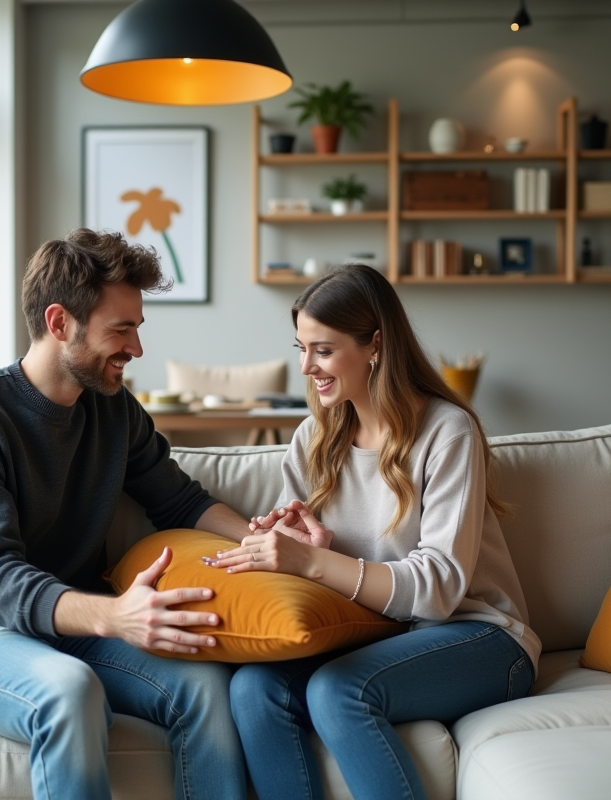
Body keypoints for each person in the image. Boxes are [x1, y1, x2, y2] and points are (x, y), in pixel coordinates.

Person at [0, 228, 255, 800]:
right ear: (60, 323)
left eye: (137, 328)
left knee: (205, 686)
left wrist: (261, 538)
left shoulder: (114, 410)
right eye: (121, 329)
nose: (136, 349)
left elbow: (179, 501)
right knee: (68, 691)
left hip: (69, 628)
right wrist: (116, 617)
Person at [208, 263, 541, 799]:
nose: (306, 366)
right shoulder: (313, 438)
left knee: (340, 690)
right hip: (380, 632)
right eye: (301, 347)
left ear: (375, 345)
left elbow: (436, 589)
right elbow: (322, 580)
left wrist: (317, 564)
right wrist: (311, 553)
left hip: (481, 637)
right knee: (253, 689)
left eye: (322, 349)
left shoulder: (447, 431)